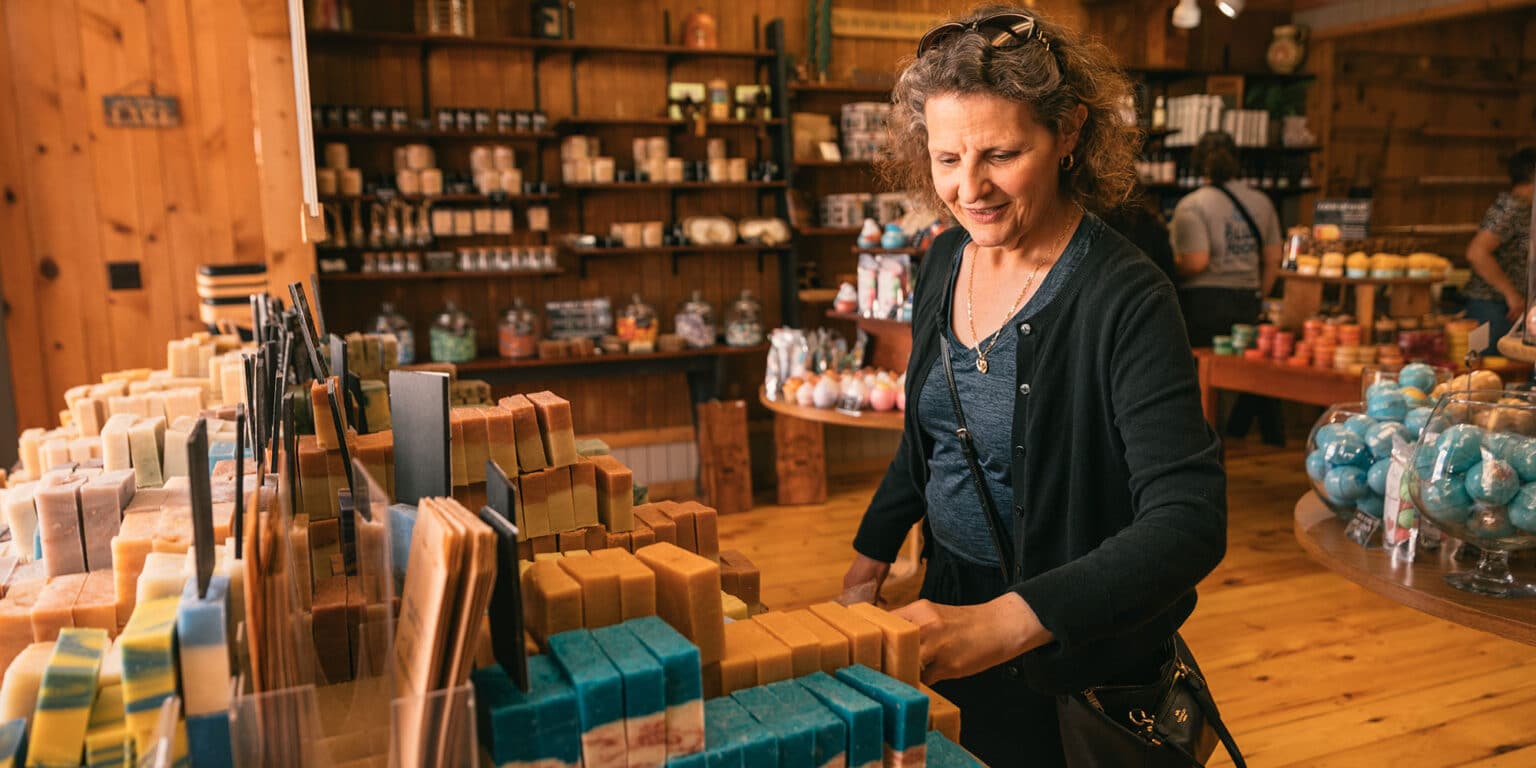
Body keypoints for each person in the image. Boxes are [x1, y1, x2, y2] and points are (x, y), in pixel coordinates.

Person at [847, 7, 1227, 766]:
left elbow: (1188, 521)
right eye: (947, 157)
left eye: (1001, 153)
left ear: (1070, 133)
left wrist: (1008, 621)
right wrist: (866, 566)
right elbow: (929, 440)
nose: (968, 187)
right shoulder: (943, 262)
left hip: (1068, 642)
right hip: (947, 602)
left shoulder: (1125, 297)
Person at [1171, 130, 1285, 445]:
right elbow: (1274, 258)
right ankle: (1264, 437)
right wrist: (1257, 291)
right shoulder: (1261, 202)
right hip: (1248, 297)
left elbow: (1196, 262)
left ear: (1197, 164)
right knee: (1250, 368)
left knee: (1204, 375)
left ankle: (1204, 439)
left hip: (1204, 302)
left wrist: (1169, 266)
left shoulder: (1192, 205)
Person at [1462, 147, 1535, 353]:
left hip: (1508, 307)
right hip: (1492, 305)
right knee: (1486, 370)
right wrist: (1510, 293)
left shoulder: (1525, 208)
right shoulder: (1511, 208)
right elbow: (1476, 252)